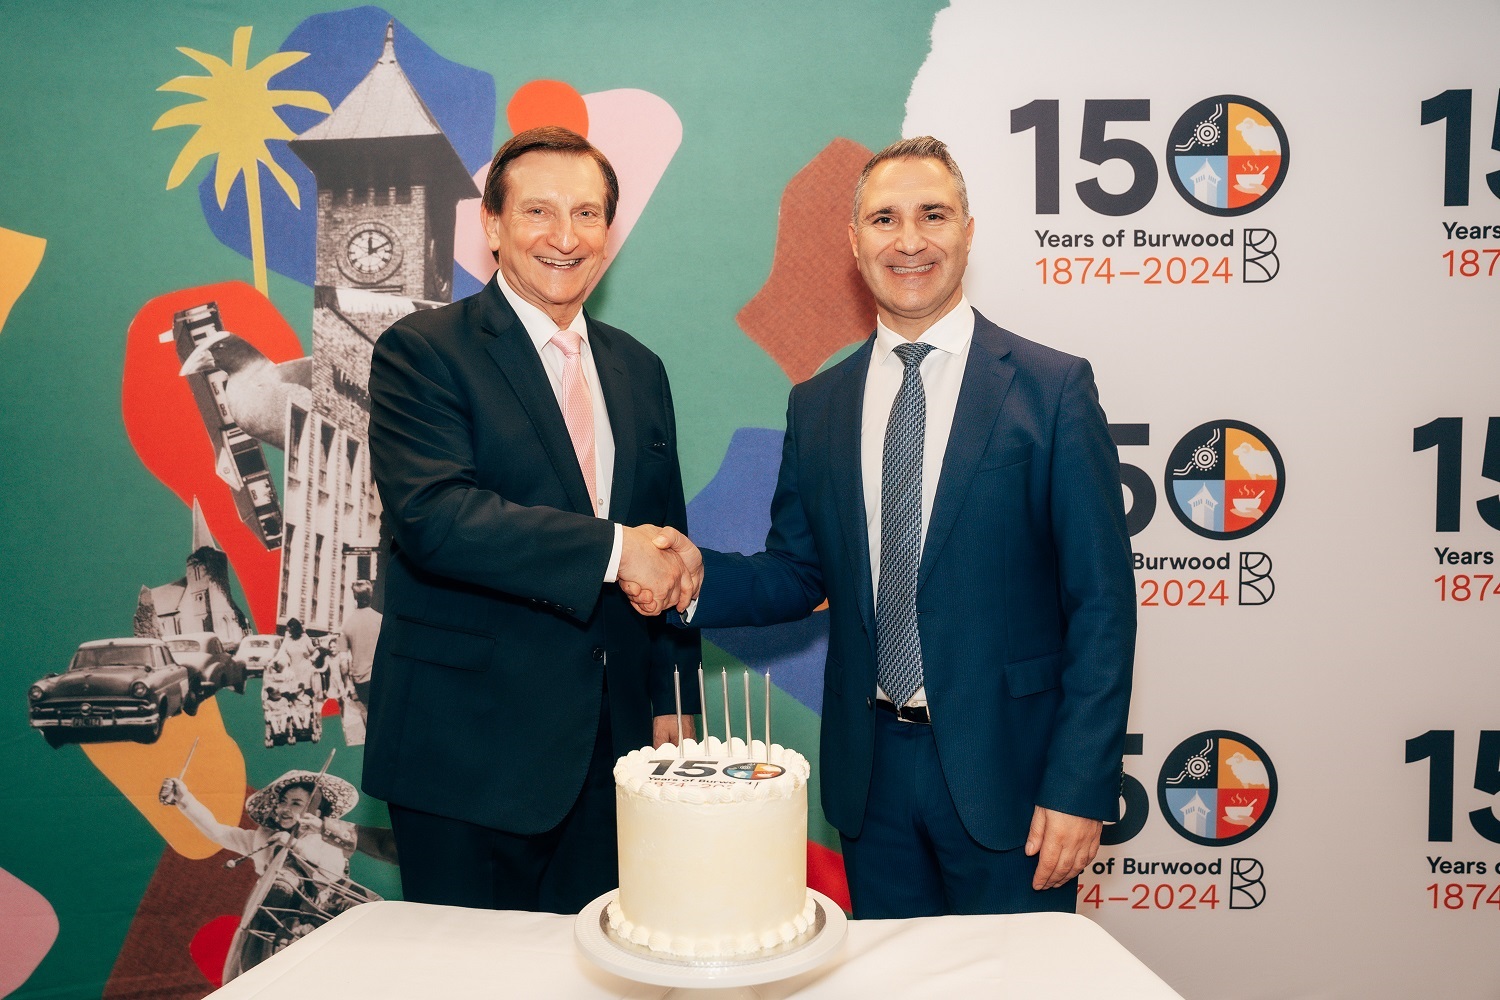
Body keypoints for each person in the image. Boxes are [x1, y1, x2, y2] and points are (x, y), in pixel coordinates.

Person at [634, 137, 1135, 918]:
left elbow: (1103, 606)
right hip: (871, 781)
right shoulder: (820, 402)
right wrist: (693, 579)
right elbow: (799, 573)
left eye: (932, 215)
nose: (908, 240)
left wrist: (1078, 787)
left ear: (968, 229)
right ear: (854, 242)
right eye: (884, 219)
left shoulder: (1052, 389)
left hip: (1013, 779)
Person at [363, 125, 702, 914]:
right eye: (538, 212)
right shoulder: (424, 351)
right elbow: (437, 518)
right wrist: (615, 552)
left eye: (587, 215)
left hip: (611, 760)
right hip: (467, 758)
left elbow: (665, 543)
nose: (564, 237)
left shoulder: (638, 368)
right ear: (491, 226)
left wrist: (673, 702)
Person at [338, 579, 382, 730]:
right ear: (370, 596)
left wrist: (346, 684)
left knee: (367, 712)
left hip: (361, 679)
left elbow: (343, 664)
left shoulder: (347, 625)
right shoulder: (381, 620)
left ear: (355, 597)